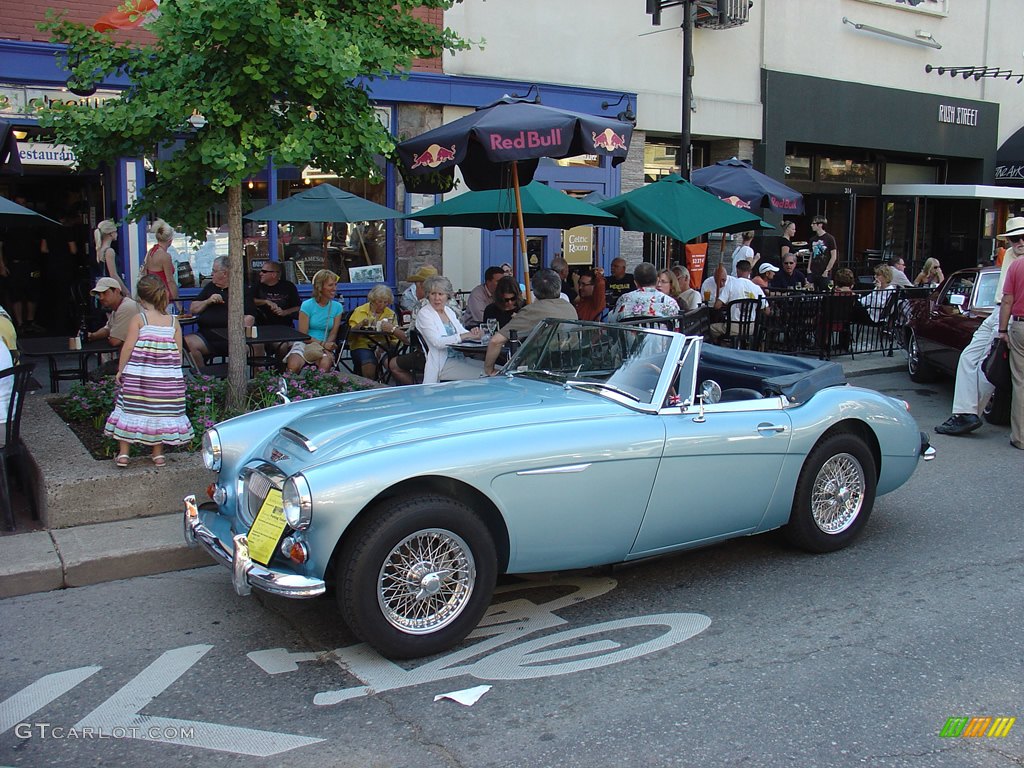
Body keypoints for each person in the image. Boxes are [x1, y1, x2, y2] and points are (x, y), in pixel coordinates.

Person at [936, 217, 1022, 436]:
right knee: (970, 358)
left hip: (1010, 314)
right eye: (1015, 238)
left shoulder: (1016, 258)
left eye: (1023, 237)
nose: (1020, 242)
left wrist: (1003, 328)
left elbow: (1010, 297)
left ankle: (968, 413)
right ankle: (966, 413)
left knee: (989, 365)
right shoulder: (1011, 256)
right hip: (999, 311)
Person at [103, 275, 193, 468]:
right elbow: (178, 352)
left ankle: (124, 454)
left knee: (129, 409)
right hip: (166, 380)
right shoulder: (172, 322)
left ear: (141, 298)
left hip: (140, 378)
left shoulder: (139, 319)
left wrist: (121, 370)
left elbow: (127, 347)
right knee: (159, 414)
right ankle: (158, 454)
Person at [484, 269, 577, 376]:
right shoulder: (569, 307)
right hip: (568, 368)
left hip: (536, 372)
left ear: (535, 290)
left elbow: (495, 341)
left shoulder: (534, 310)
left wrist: (489, 370)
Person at [184, 256, 256, 370]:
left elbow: (249, 318)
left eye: (214, 271)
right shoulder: (210, 287)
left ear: (225, 273)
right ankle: (204, 378)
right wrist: (208, 301)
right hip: (206, 336)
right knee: (187, 343)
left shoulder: (241, 289)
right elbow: (193, 308)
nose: (212, 273)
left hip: (230, 338)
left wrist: (232, 328)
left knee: (254, 347)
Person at [418, 275, 484, 383]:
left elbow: (462, 332)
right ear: (428, 295)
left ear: (447, 296)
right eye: (433, 294)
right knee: (487, 375)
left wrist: (475, 334)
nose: (437, 298)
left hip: (460, 358)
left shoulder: (448, 311)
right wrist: (465, 336)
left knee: (499, 370)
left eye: (440, 294)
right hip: (442, 363)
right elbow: (437, 342)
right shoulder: (425, 314)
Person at [286, 269, 344, 373]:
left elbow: (333, 333)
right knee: (293, 365)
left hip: (325, 345)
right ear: (320, 287)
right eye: (331, 285)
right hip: (306, 343)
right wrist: (322, 343)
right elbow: (303, 335)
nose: (334, 289)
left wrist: (327, 346)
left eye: (336, 285)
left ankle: (318, 388)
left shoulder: (337, 307)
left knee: (325, 364)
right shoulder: (307, 305)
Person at [1, 195, 44, 332]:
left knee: (33, 292)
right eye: (18, 203)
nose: (21, 205)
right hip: (14, 263)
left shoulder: (32, 221)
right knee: (16, 293)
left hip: (31, 263)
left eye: (23, 203)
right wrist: (1, 265)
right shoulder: (6, 222)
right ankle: (19, 323)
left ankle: (30, 321)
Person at [86, 276, 140, 376]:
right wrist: (92, 336)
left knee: (95, 375)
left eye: (105, 293)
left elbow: (115, 341)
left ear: (117, 291)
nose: (101, 297)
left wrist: (112, 335)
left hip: (138, 361)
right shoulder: (118, 308)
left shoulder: (126, 307)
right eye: (99, 294)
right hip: (133, 358)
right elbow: (108, 329)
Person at [997, 250, 1024, 449]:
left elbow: (1007, 300)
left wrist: (1002, 330)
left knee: (1021, 382)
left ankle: (1021, 437)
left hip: (1020, 326)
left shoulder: (1016, 265)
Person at [347, 284, 400, 381]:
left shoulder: (390, 314)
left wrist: (385, 345)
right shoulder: (360, 311)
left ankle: (391, 386)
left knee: (392, 364)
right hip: (362, 344)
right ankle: (370, 386)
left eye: (386, 302)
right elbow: (350, 333)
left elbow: (395, 338)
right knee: (369, 363)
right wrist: (361, 324)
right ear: (372, 300)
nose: (382, 305)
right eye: (379, 302)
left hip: (384, 345)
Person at [609, 262, 679, 322]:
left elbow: (612, 323)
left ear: (635, 283)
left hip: (629, 338)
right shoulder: (670, 302)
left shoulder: (624, 299)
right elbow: (677, 328)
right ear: (657, 280)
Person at [251, 259, 300, 326]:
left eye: (264, 271)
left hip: (285, 326)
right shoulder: (257, 286)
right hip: (262, 326)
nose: (260, 273)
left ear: (273, 274)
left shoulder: (288, 286)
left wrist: (284, 312)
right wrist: (266, 302)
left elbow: (298, 307)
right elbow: (249, 301)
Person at [144, 219, 178, 301]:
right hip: (163, 297)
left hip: (152, 295)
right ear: (170, 240)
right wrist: (177, 302)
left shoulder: (151, 252)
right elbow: (170, 281)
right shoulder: (165, 256)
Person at [93, 219, 128, 296]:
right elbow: (113, 274)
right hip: (112, 289)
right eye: (115, 231)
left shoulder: (99, 250)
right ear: (110, 234)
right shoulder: (109, 251)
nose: (117, 234)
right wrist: (125, 291)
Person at [808, 215, 838, 290]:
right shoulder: (812, 239)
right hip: (813, 271)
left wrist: (827, 270)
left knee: (824, 293)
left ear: (820, 225)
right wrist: (808, 269)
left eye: (814, 223)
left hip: (824, 271)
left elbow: (833, 256)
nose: (812, 225)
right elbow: (811, 255)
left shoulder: (830, 238)